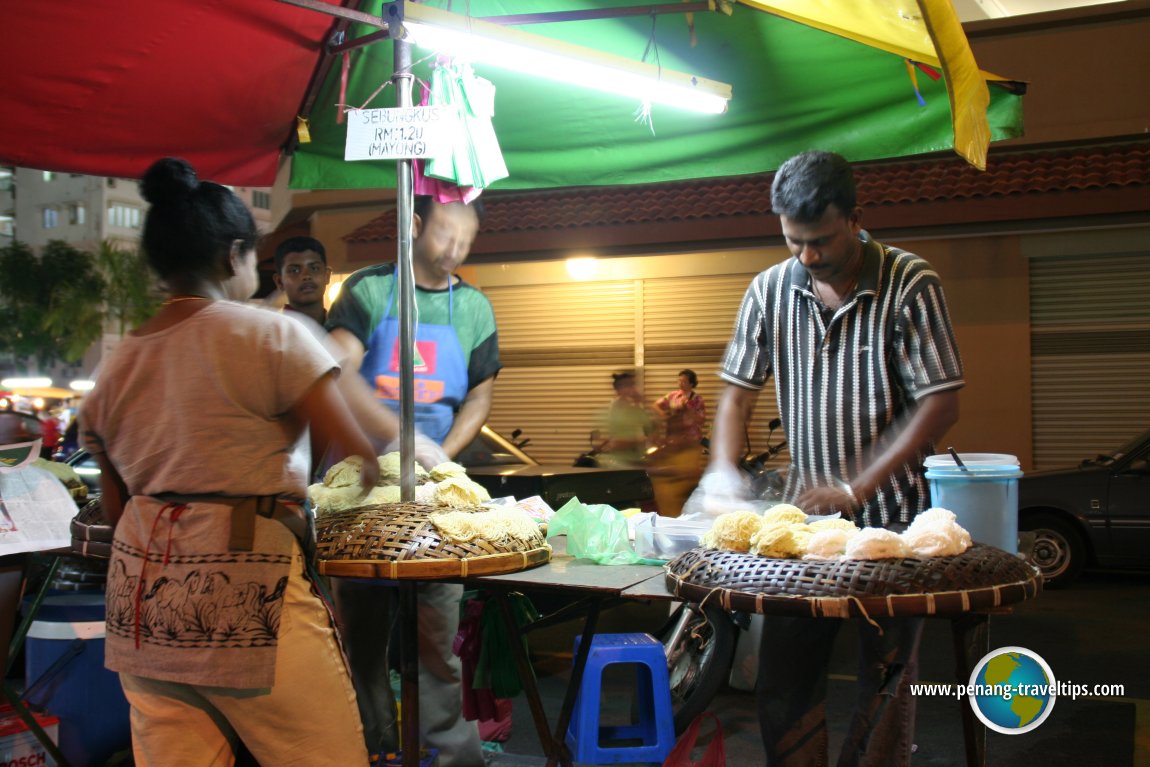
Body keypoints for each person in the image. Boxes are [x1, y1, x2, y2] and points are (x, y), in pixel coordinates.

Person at [79, 157, 378, 766]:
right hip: (247, 590)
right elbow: (357, 457)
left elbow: (117, 506)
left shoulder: (117, 363)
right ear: (233, 256)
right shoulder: (273, 336)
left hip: (143, 603)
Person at [702, 150, 963, 766]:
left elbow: (940, 403)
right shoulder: (769, 289)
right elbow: (737, 394)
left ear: (855, 218)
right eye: (794, 241)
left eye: (820, 241)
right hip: (807, 528)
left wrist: (857, 484)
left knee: (889, 679)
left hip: (894, 528)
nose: (808, 257)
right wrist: (721, 465)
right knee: (785, 678)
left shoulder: (909, 283)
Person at [325, 195, 499, 767]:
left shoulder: (474, 306)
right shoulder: (370, 290)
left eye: (467, 240)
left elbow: (479, 395)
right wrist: (395, 440)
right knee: (362, 641)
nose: (455, 249)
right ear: (416, 224)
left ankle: (451, 755)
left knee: (437, 640)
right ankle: (371, 747)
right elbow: (337, 367)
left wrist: (439, 457)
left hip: (435, 497)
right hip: (361, 488)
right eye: (447, 233)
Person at [650, 370, 707, 517]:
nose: (680, 383)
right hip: (673, 439)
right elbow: (655, 405)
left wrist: (688, 410)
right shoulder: (673, 395)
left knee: (688, 475)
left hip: (691, 440)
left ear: (692, 383)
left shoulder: (697, 399)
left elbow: (701, 420)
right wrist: (664, 415)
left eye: (684, 381)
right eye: (679, 380)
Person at [599, 371, 655, 468]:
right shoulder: (615, 409)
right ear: (618, 390)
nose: (632, 389)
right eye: (628, 385)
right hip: (621, 463)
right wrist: (640, 441)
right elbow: (616, 443)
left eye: (632, 385)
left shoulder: (633, 407)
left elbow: (650, 427)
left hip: (637, 458)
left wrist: (643, 401)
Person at [273, 235, 332, 325]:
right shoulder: (273, 333)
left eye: (314, 268)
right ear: (280, 282)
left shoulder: (343, 330)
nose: (306, 276)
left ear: (327, 275)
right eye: (294, 270)